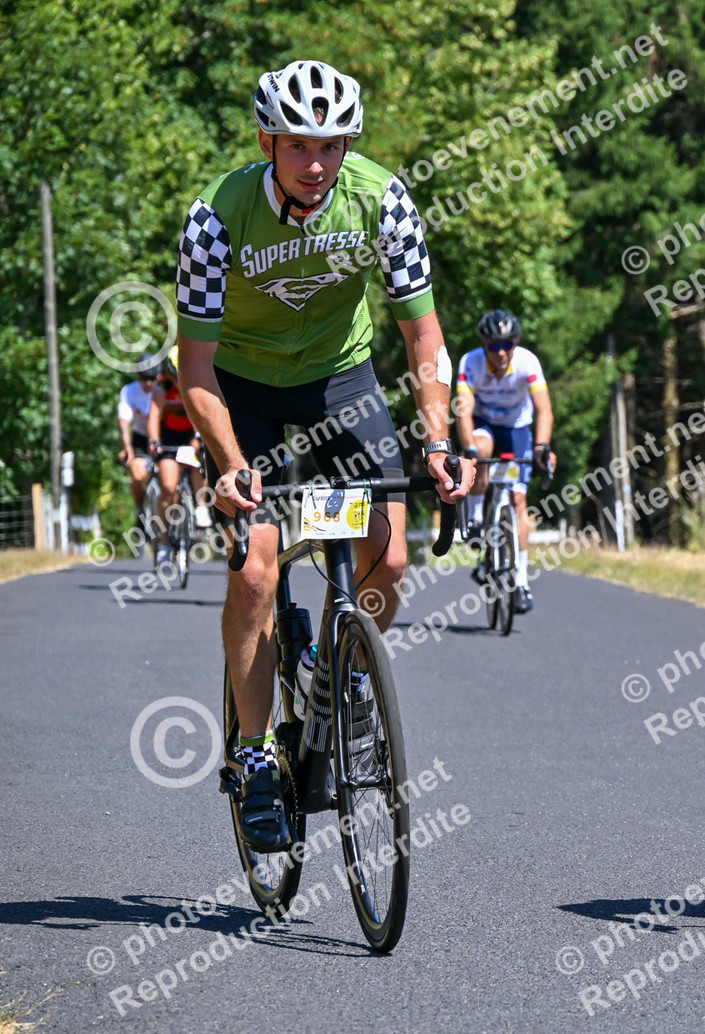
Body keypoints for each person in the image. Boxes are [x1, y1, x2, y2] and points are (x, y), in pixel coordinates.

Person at [172, 60, 469, 852]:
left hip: (342, 381)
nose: (315, 163)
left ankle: (347, 684)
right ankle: (255, 754)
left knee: (390, 556)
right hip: (242, 390)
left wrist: (439, 439)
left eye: (332, 146)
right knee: (257, 569)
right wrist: (230, 461)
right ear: (267, 142)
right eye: (299, 145)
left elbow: (424, 336)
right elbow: (193, 367)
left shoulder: (383, 199)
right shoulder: (215, 218)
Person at [454, 309, 555, 615]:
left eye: (507, 345)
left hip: (516, 428)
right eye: (494, 346)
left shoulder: (527, 362)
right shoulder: (470, 362)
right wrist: (470, 449)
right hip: (484, 424)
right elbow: (463, 411)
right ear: (484, 345)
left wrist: (541, 446)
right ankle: (474, 518)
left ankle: (521, 582)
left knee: (518, 499)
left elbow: (544, 410)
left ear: (516, 343)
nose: (501, 352)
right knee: (481, 451)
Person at [146, 358, 211, 565]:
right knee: (168, 487)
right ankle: (164, 543)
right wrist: (154, 440)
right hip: (169, 439)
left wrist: (197, 439)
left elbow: (201, 415)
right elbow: (154, 417)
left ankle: (201, 506)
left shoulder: (196, 383)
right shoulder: (162, 389)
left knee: (201, 464)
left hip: (191, 435)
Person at [116, 362, 159, 542]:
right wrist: (128, 448)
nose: (149, 383)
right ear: (138, 377)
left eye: (152, 379)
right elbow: (124, 422)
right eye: (145, 379)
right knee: (138, 475)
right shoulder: (130, 391)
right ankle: (140, 511)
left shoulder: (164, 389)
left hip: (164, 434)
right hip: (140, 437)